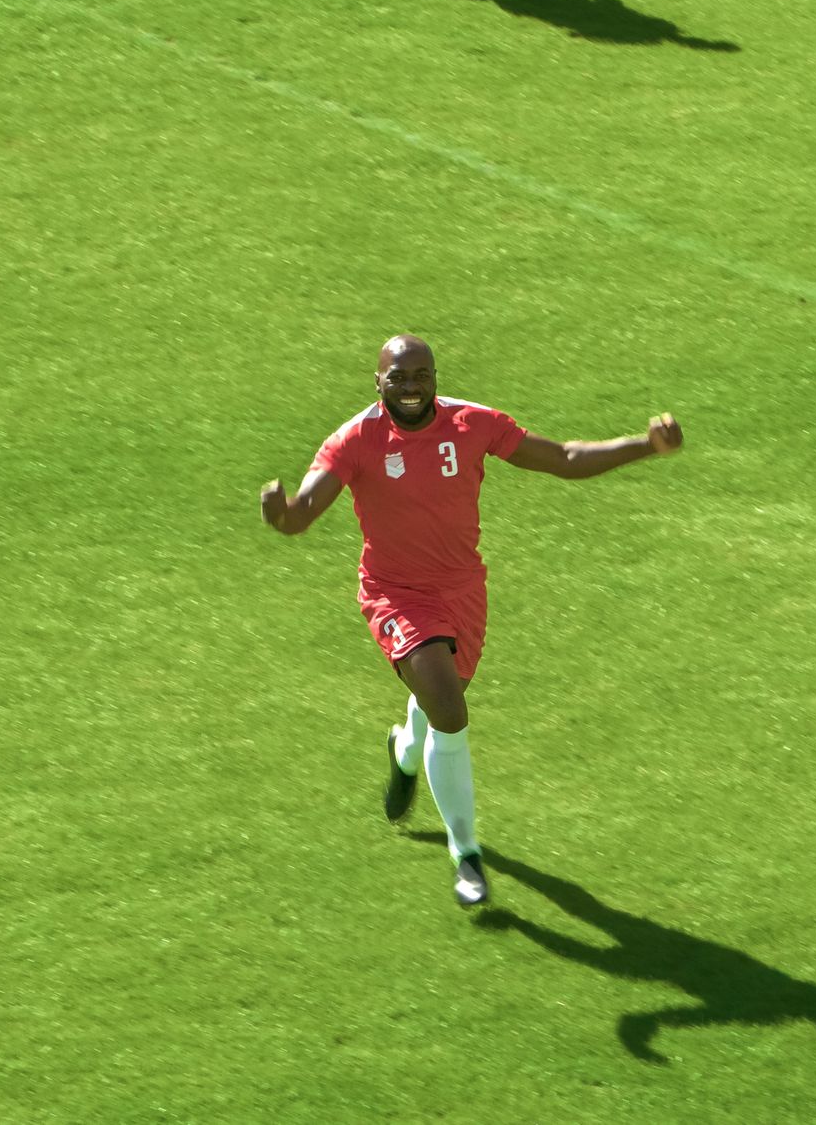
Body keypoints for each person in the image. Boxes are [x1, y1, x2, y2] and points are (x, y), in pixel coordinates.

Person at [259, 335, 685, 906]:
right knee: (452, 713)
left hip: (462, 591)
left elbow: (562, 458)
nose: (411, 388)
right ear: (377, 382)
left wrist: (646, 446)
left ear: (435, 377)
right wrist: (284, 517)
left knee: (439, 706)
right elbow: (306, 510)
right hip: (395, 594)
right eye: (398, 377)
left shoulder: (470, 424)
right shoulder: (355, 440)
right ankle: (467, 855)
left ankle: (405, 750)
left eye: (421, 375)